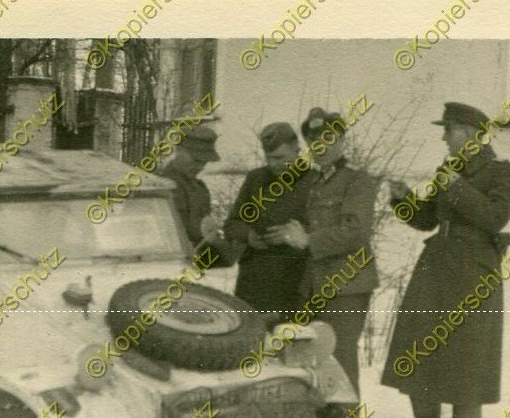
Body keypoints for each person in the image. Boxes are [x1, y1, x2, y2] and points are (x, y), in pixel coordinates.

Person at [384, 102, 510, 418]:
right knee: (417, 343)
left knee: (466, 354)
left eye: (449, 130)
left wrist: (457, 186)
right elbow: (427, 219)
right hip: (436, 266)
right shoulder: (448, 169)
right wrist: (403, 201)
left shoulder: (502, 172)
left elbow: (494, 217)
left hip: (473, 270)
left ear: (470, 133)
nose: (444, 137)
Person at [293, 107, 379, 398]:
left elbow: (355, 231)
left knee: (340, 358)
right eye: (314, 141)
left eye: (328, 139)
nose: (321, 147)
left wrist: (308, 240)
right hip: (316, 284)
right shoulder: (316, 183)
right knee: (316, 357)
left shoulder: (358, 180)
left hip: (347, 285)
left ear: (342, 141)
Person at [223, 122, 311, 326]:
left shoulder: (313, 181)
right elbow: (232, 224)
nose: (273, 164)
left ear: (296, 149)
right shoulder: (256, 179)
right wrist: (249, 236)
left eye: (280, 157)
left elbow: (323, 231)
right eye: (269, 158)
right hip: (255, 282)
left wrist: (293, 235)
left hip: (293, 281)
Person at [160, 124, 222, 249]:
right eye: (196, 160)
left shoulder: (200, 189)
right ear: (180, 151)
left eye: (204, 162)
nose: (200, 167)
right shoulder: (158, 185)